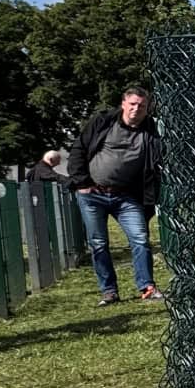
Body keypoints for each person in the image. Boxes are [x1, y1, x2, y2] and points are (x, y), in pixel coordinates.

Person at [67, 84, 165, 305]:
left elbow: (156, 164)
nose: (136, 109)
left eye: (141, 105)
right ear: (123, 104)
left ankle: (147, 286)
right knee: (99, 243)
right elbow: (79, 150)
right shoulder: (103, 122)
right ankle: (109, 291)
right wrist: (81, 182)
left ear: (147, 108)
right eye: (132, 104)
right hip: (92, 194)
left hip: (127, 196)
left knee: (140, 239)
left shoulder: (152, 131)